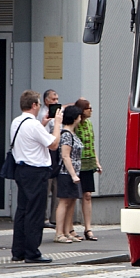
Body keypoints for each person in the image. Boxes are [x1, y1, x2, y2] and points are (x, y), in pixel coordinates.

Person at [10, 90, 63, 263]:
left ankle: (18, 251)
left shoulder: (17, 122)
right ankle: (32, 252)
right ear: (33, 105)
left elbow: (31, 140)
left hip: (21, 170)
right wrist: (57, 124)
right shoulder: (32, 125)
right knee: (35, 212)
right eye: (39, 103)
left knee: (23, 210)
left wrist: (43, 123)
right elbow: (53, 144)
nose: (40, 106)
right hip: (36, 171)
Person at [53, 106, 84, 244]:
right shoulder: (66, 134)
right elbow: (65, 156)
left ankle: (66, 231)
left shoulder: (72, 133)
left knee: (71, 201)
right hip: (66, 173)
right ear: (75, 117)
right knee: (64, 201)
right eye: (79, 116)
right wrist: (73, 175)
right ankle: (59, 232)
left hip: (73, 173)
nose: (81, 118)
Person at [74, 98, 101, 241]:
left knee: (88, 195)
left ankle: (88, 228)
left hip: (89, 162)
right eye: (88, 108)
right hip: (78, 163)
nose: (91, 110)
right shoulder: (76, 125)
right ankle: (70, 229)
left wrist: (96, 162)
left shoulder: (89, 124)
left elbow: (92, 144)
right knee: (73, 196)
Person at [37, 89, 59, 229]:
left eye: (57, 99)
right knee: (46, 188)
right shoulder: (43, 115)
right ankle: (43, 217)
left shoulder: (56, 115)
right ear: (46, 101)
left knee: (57, 188)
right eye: (53, 99)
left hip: (56, 154)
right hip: (48, 153)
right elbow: (45, 138)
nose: (56, 102)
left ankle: (55, 218)